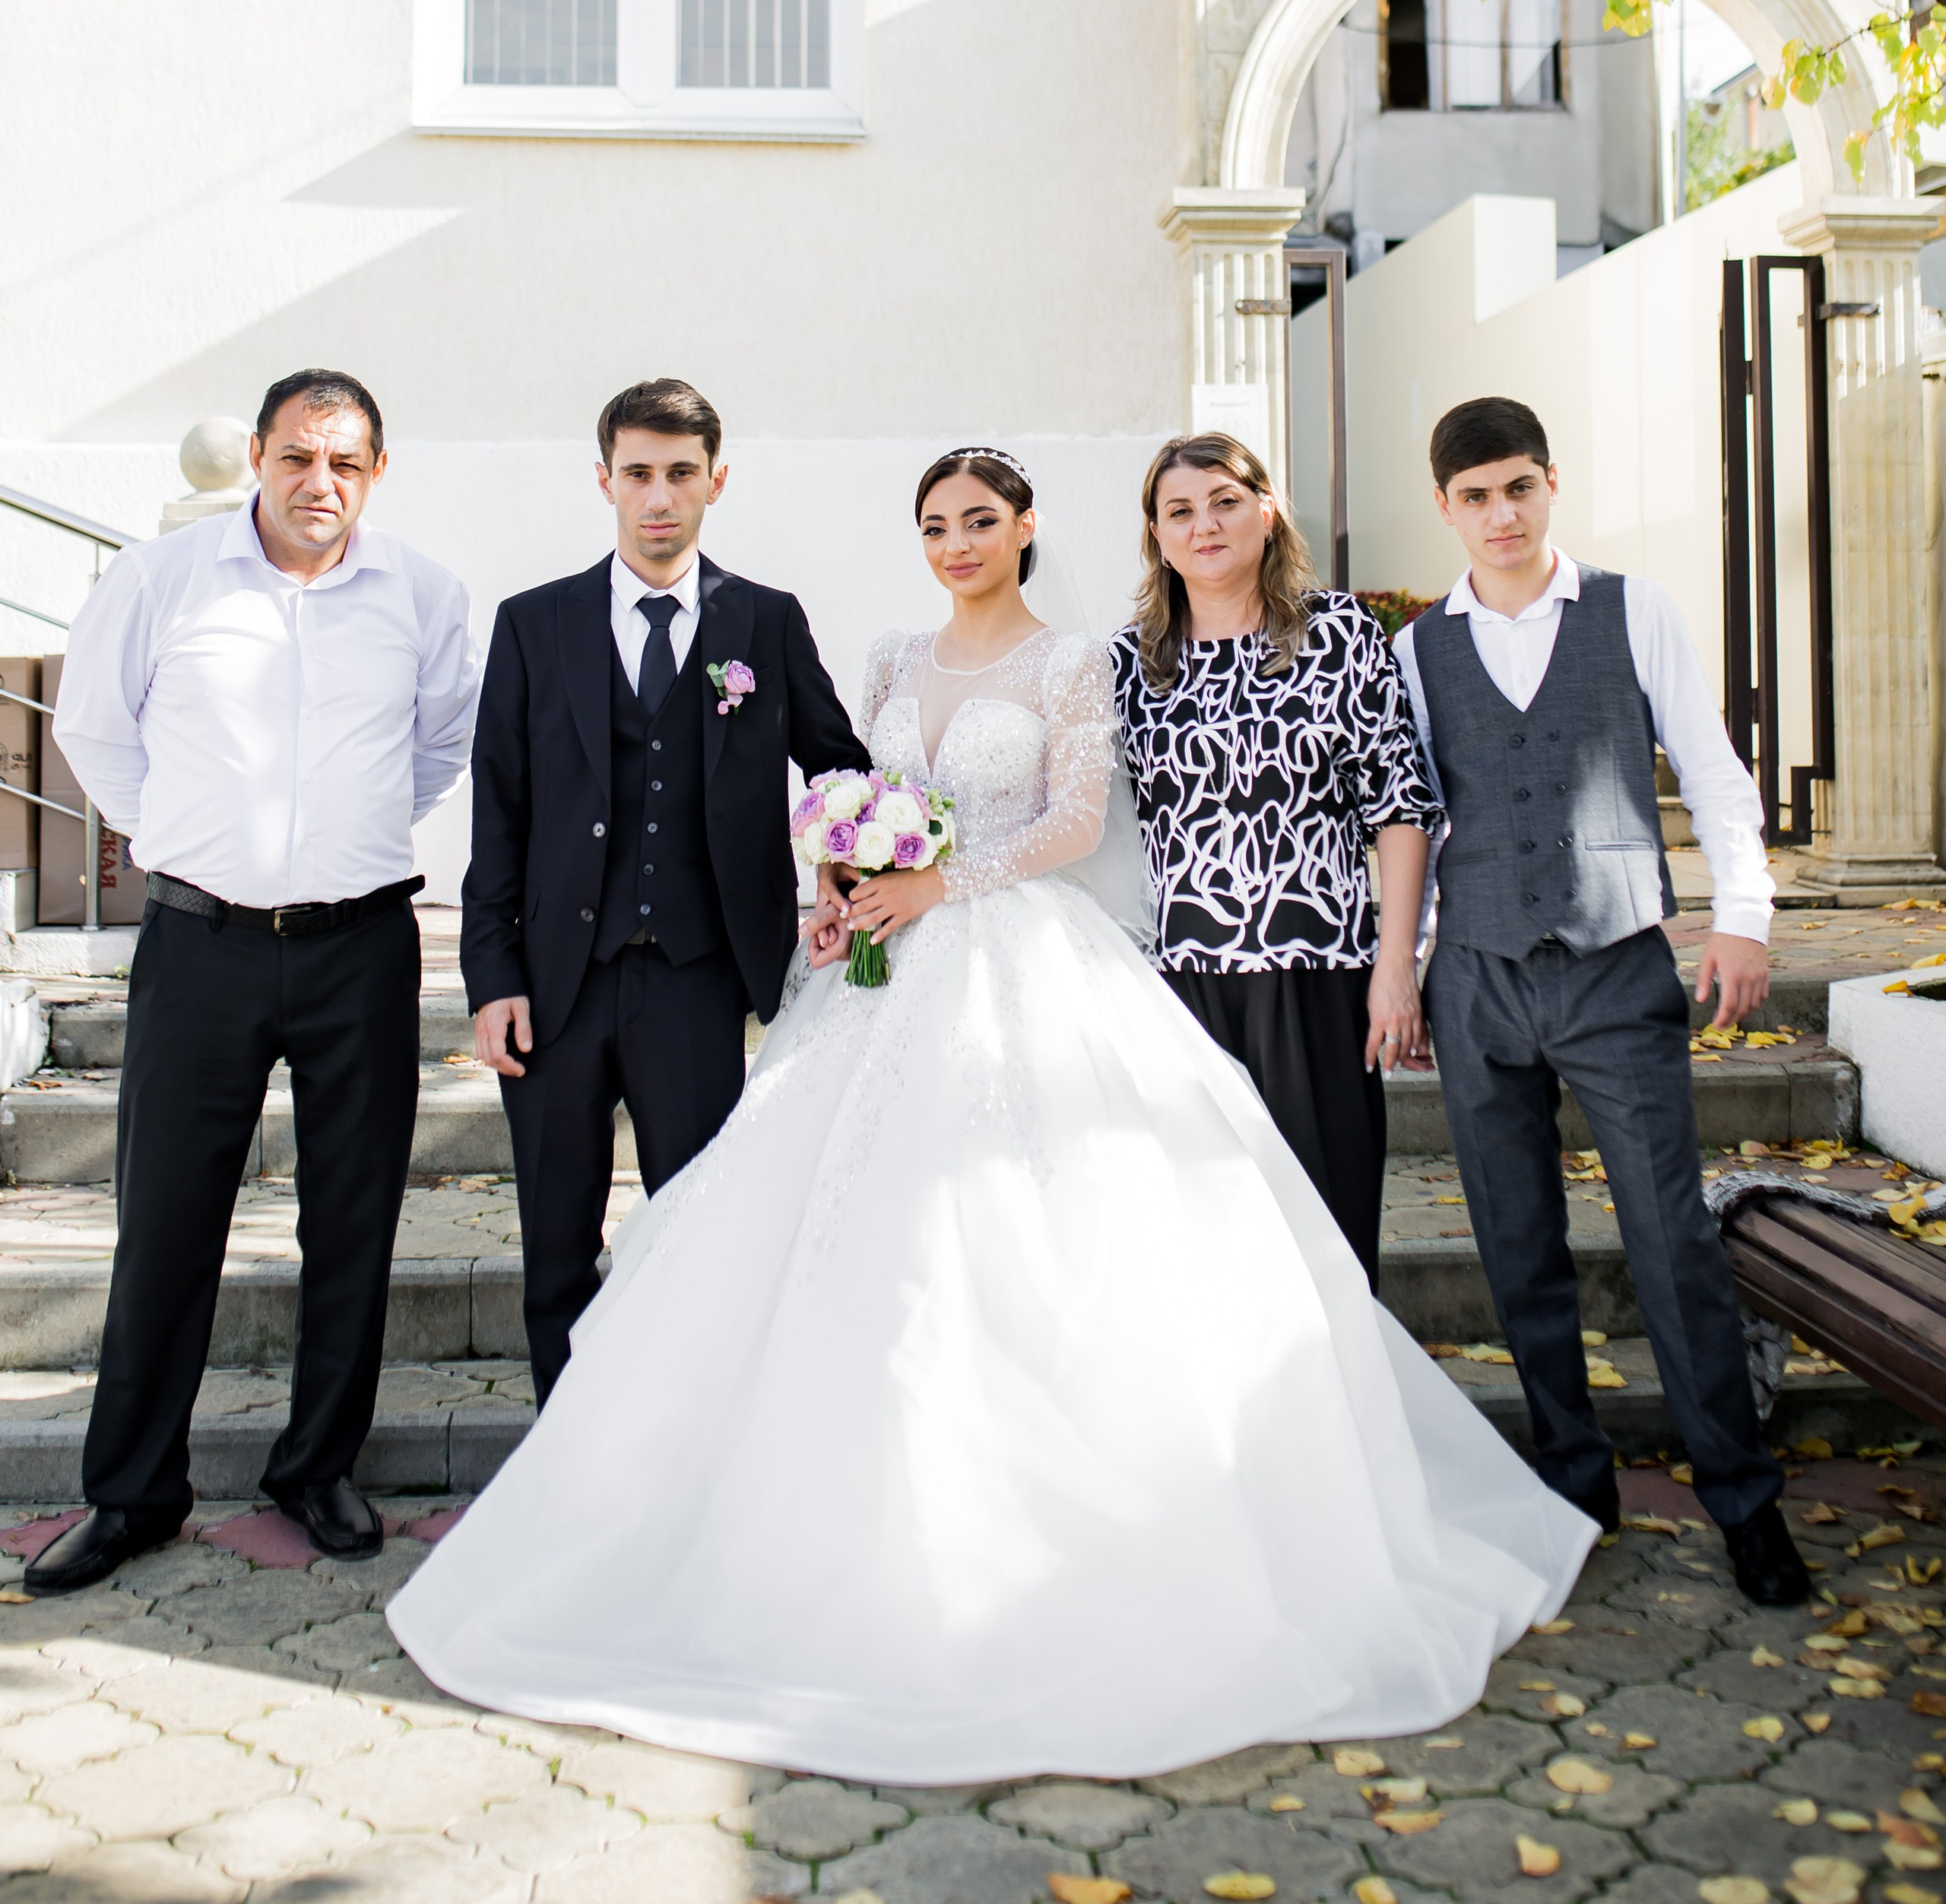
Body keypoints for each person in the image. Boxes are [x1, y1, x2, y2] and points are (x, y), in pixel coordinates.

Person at [388, 443, 1593, 1780]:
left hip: (1022, 959)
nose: (956, 543)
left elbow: (1076, 822)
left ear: (1026, 529)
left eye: (979, 520)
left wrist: (937, 886)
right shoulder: (891, 660)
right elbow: (848, 797)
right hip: (879, 979)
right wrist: (844, 888)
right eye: (935, 525)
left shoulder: (1076, 662)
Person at [27, 369, 478, 1593]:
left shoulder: (425, 596)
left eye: (345, 462)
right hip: (201, 946)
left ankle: (316, 1468)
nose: (319, 482)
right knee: (166, 1221)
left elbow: (438, 746)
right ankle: (131, 1494)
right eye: (297, 457)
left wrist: (337, 845)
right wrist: (183, 836)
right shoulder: (159, 580)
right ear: (259, 460)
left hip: (360, 946)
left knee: (353, 1221)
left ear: (375, 473)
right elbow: (94, 729)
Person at [1396, 394, 1807, 1608]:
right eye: (1477, 497)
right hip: (1476, 976)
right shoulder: (1417, 650)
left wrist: (1744, 914)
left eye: (1519, 487)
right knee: (1517, 1246)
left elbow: (1714, 772)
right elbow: (1413, 820)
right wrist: (1406, 963)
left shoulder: (1634, 609)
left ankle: (1744, 1499)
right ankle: (1576, 1489)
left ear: (1550, 483)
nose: (1502, 515)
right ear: (1446, 508)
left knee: (1671, 1240)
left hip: (1617, 968)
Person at [461, 376, 870, 1405]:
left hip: (697, 979)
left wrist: (841, 869)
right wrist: (492, 975)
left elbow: (839, 769)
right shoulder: (533, 623)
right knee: (555, 1245)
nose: (659, 496)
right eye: (637, 472)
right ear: (603, 480)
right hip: (553, 984)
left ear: (715, 482)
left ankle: (679, 1443)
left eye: (681, 474)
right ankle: (566, 1448)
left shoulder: (765, 621)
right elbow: (498, 814)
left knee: (697, 1234)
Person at [1111, 432, 1440, 1291]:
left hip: (1317, 973)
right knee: (1206, 1241)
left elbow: (1400, 807)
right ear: (1157, 536)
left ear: (1267, 512)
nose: (1205, 525)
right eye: (1180, 511)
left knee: (1327, 1228)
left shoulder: (1337, 636)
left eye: (1225, 502)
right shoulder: (1129, 665)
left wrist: (1395, 967)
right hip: (1178, 987)